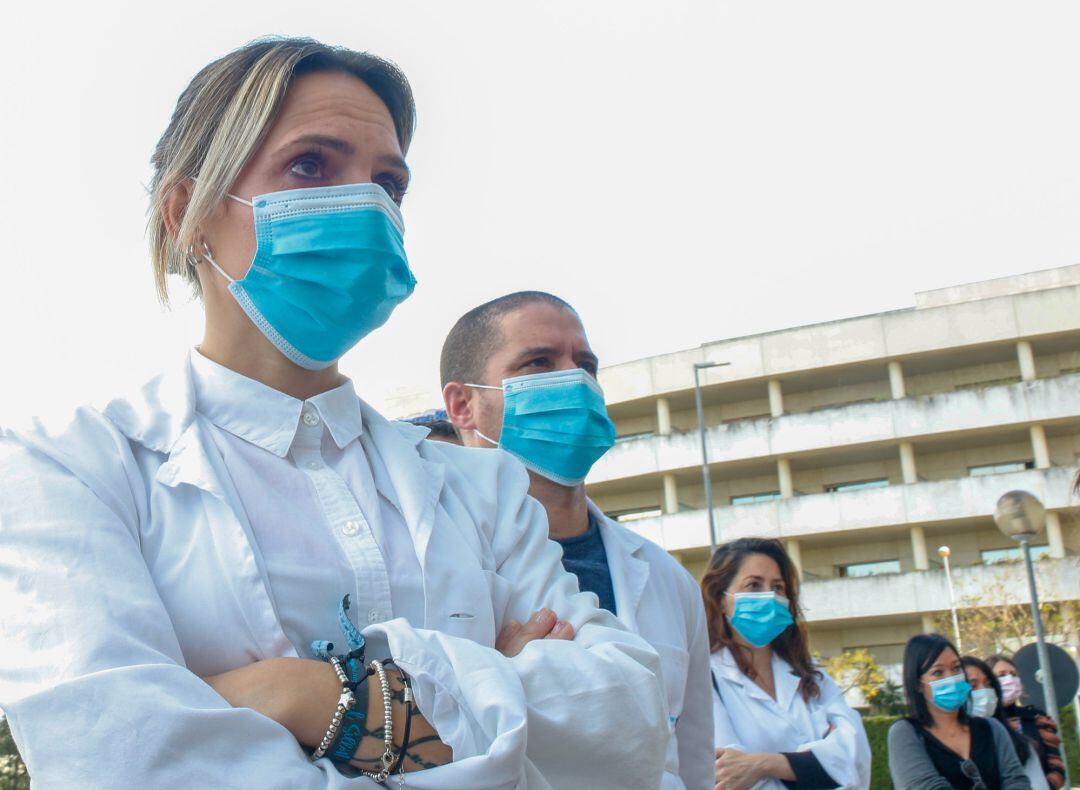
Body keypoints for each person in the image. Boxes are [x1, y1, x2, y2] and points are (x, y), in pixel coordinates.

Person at [0, 37, 671, 788]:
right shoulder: (71, 470)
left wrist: (308, 695)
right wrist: (486, 690)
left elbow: (629, 723)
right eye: (311, 165)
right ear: (189, 213)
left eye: (388, 183)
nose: (367, 206)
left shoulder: (480, 489)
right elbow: (121, 760)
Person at [440, 291, 714, 789]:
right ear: (463, 405)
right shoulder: (427, 563)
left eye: (586, 365)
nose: (576, 380)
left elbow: (692, 760)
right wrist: (493, 682)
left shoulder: (668, 579)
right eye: (539, 363)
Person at [701, 537, 871, 789]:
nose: (769, 596)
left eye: (778, 587)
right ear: (721, 599)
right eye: (754, 585)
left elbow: (855, 758)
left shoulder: (810, 673)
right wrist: (820, 764)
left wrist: (764, 764)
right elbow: (728, 776)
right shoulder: (705, 677)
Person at [887, 634, 1031, 789]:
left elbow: (1017, 781)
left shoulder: (992, 728)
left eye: (956, 668)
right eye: (937, 672)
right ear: (917, 684)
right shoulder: (906, 732)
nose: (952, 678)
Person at [962, 656, 1049, 790]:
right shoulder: (936, 744)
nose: (983, 691)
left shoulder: (1019, 743)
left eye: (989, 685)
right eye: (973, 686)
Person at [988, 654, 1066, 789]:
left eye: (1013, 674)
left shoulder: (1037, 718)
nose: (1009, 679)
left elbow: (1057, 768)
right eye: (1001, 675)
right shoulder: (983, 724)